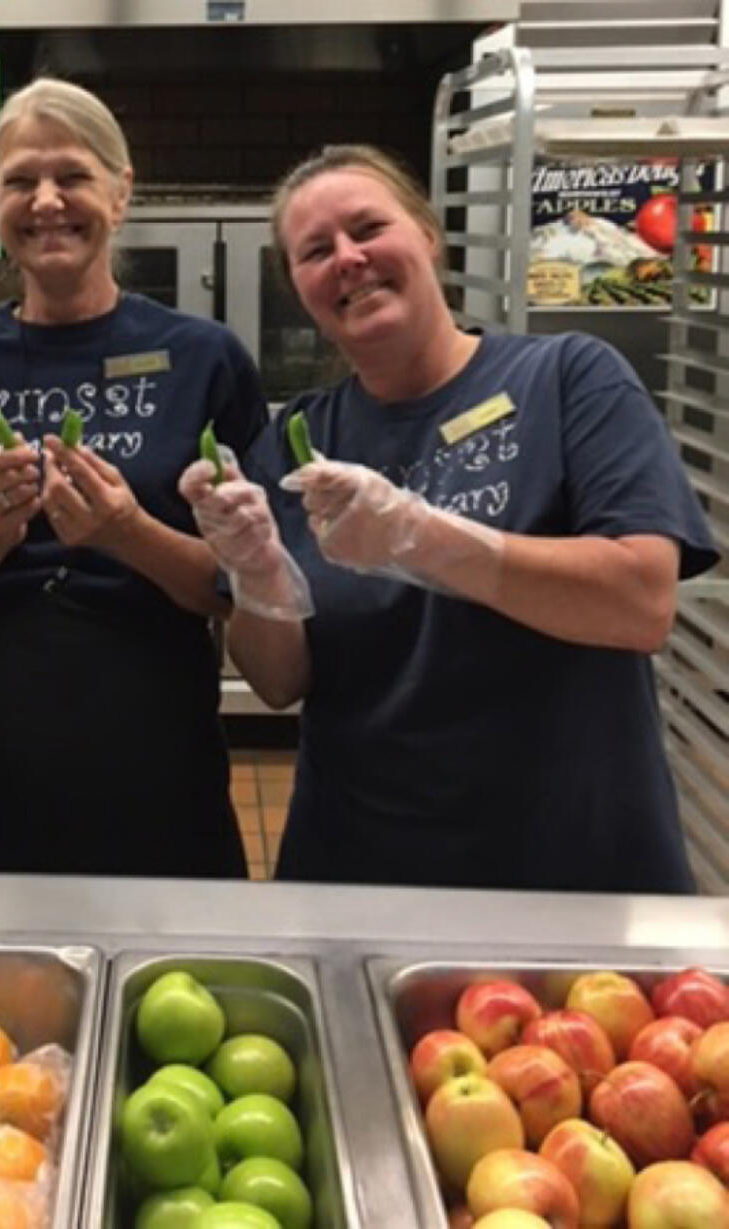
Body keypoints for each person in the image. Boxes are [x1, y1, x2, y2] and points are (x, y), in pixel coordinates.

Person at [179, 144, 719, 894]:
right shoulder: (297, 439)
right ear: (299, 288)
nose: (348, 258)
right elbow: (278, 679)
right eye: (315, 251)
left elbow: (639, 603)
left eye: (368, 227)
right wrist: (255, 570)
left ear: (427, 235)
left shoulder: (568, 379)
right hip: (362, 867)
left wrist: (420, 536)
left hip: (571, 866)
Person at [0, 77, 266, 875]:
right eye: (20, 180)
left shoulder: (204, 361)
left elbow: (241, 587)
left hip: (154, 750)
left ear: (120, 194)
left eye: (72, 176)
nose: (46, 200)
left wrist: (127, 533)